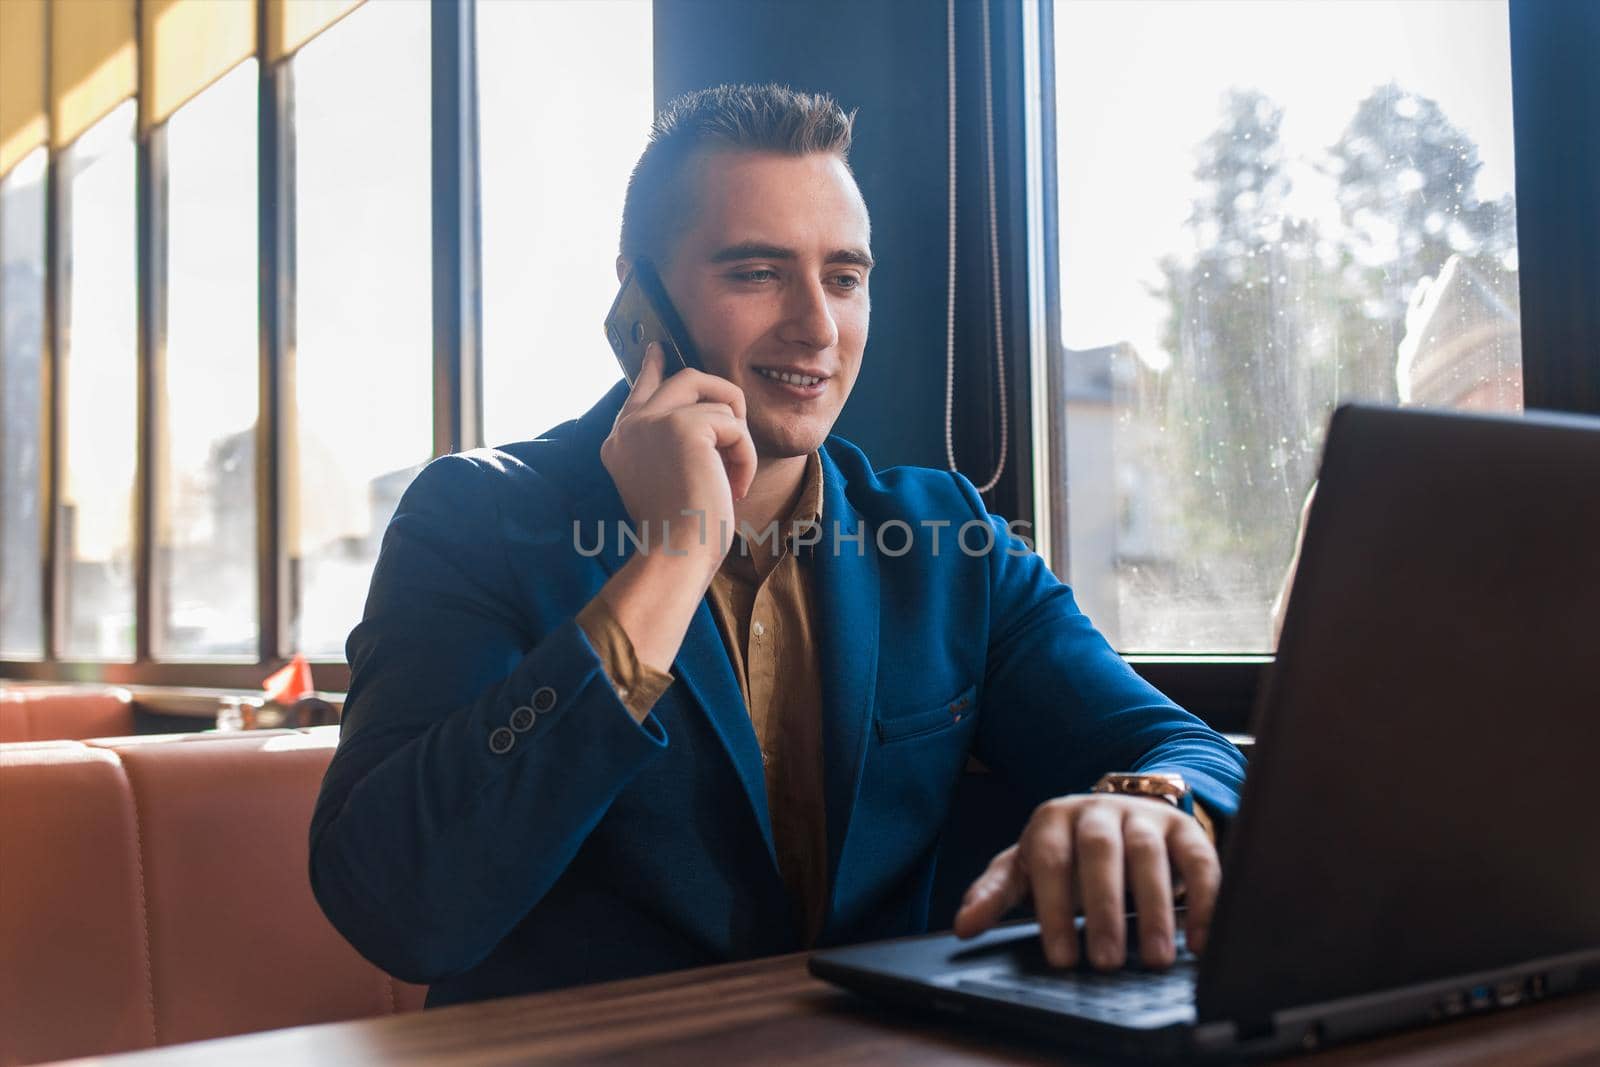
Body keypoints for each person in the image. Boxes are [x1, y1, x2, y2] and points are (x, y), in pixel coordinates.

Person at [309, 84, 1247, 1008]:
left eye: (843, 277)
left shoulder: (943, 537)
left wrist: (1148, 800)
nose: (817, 325)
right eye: (756, 272)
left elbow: (1182, 745)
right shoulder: (474, 517)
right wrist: (673, 557)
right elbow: (402, 908)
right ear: (640, 300)